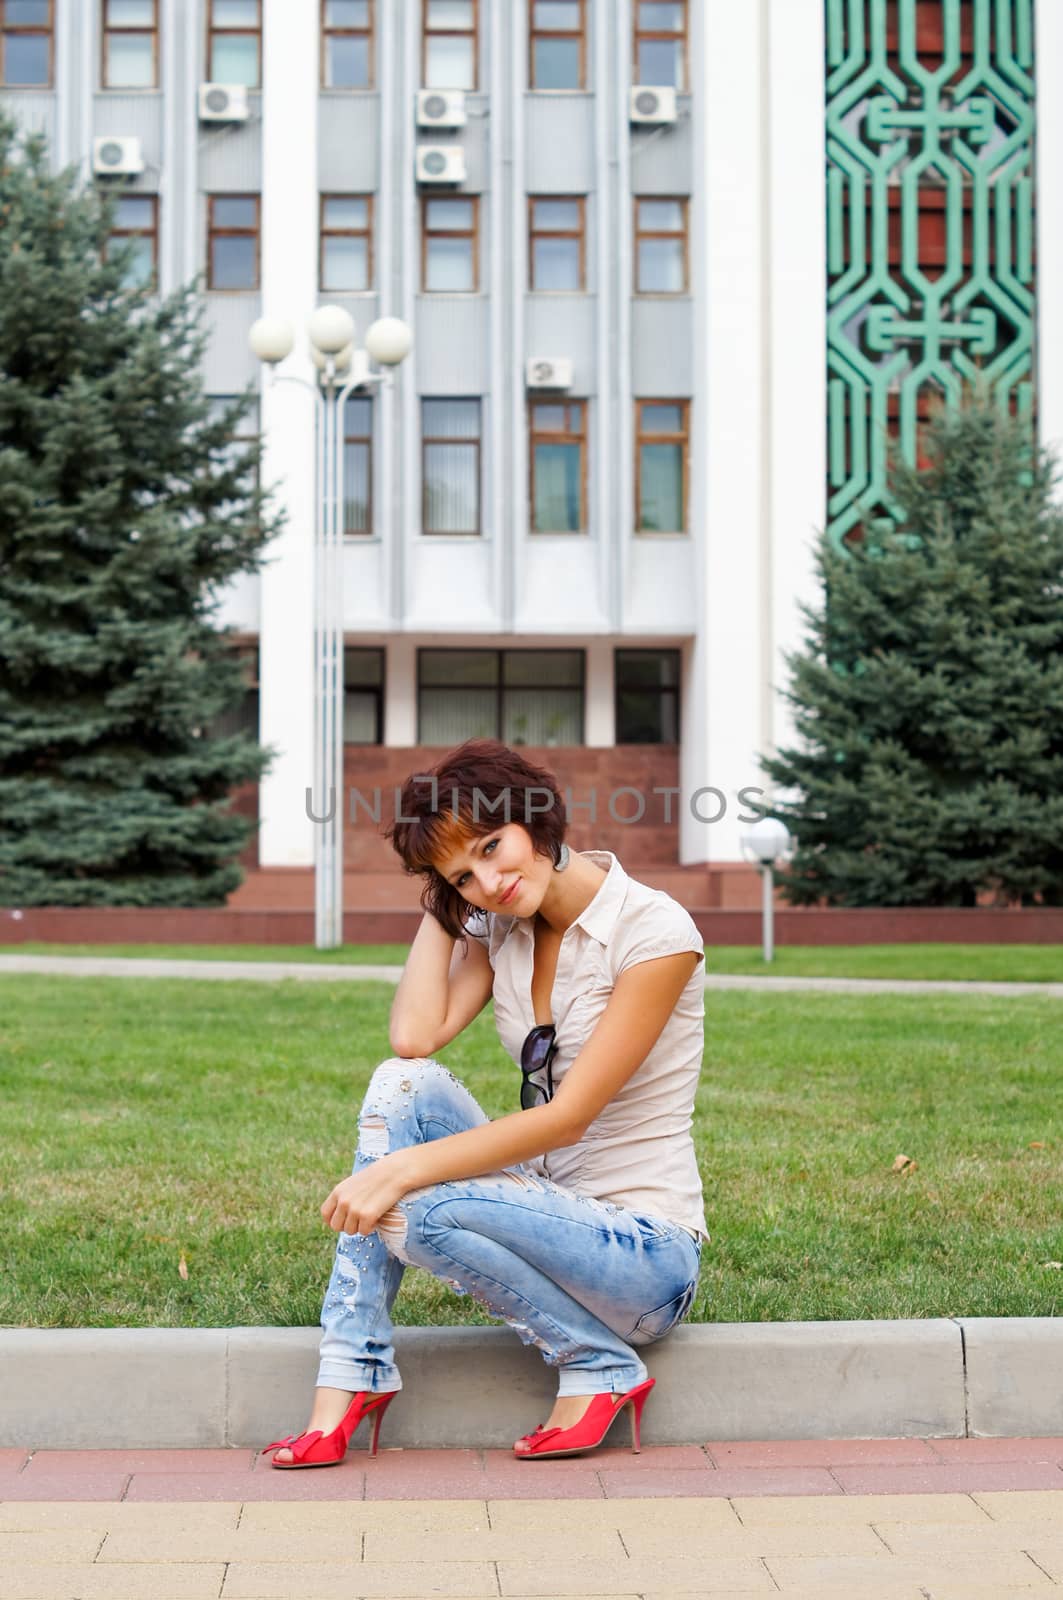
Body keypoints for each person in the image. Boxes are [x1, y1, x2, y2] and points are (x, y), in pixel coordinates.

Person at [264, 739, 708, 1467]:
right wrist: (443, 903)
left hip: (642, 1258)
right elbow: (414, 1038)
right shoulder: (502, 925)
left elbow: (569, 1117)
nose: (490, 880)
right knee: (399, 1084)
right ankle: (351, 1371)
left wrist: (400, 1172)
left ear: (536, 822)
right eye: (462, 874)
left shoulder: (654, 932)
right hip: (541, 1217)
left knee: (417, 1209)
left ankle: (598, 1363)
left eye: (492, 846)